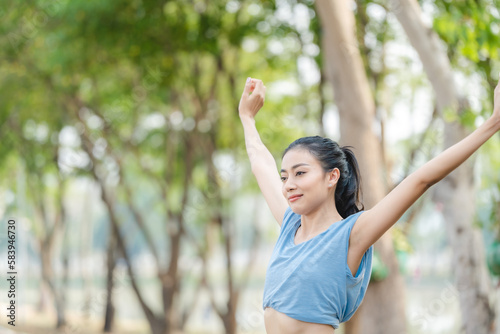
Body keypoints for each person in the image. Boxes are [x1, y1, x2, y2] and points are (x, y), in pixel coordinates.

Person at [238, 76, 500, 334]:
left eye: (300, 173)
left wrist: (492, 123)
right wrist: (247, 118)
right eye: (284, 177)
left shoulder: (351, 234)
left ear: (332, 177)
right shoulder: (289, 225)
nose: (288, 184)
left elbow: (422, 179)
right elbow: (261, 162)